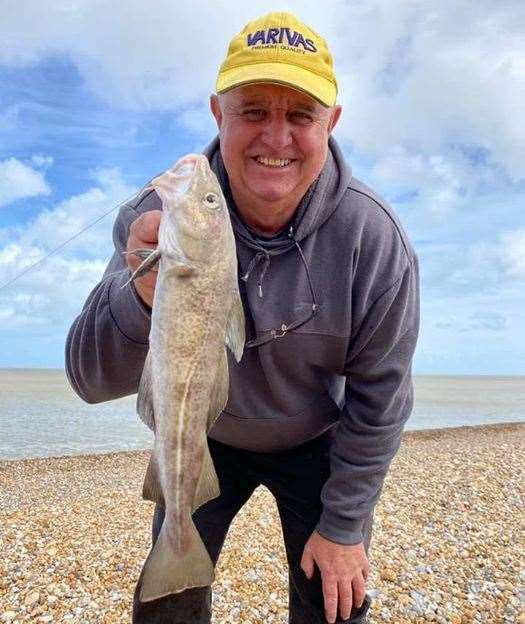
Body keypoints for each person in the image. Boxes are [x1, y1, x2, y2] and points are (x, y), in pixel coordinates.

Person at [65, 11, 420, 624]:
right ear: (217, 113)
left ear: (331, 123)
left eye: (300, 115)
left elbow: (381, 395)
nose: (275, 139)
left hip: (316, 442)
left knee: (338, 600)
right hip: (202, 440)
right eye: (253, 111)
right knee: (166, 604)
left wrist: (345, 523)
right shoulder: (159, 216)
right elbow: (90, 379)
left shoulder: (374, 240)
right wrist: (143, 294)